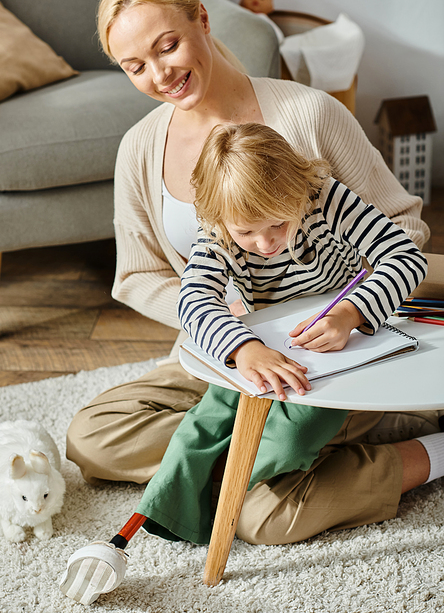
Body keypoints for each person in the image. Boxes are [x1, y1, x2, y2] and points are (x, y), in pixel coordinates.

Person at [66, 0, 441, 545]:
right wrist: (238, 334)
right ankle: (275, 459)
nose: (160, 74)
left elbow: (403, 233)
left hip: (330, 350)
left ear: (203, 22)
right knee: (92, 434)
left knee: (260, 516)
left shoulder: (308, 116)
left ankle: (409, 445)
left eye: (168, 46)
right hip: (223, 351)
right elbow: (139, 276)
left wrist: (345, 313)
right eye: (135, 66)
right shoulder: (139, 147)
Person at [132, 121, 429, 544]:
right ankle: (179, 513)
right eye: (246, 232)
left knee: (286, 440)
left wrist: (349, 313)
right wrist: (244, 347)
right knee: (198, 429)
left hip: (334, 358)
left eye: (279, 224)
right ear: (219, 219)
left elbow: (405, 256)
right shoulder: (219, 227)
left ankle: (225, 496)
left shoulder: (325, 198)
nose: (266, 242)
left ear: (299, 193)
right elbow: (193, 300)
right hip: (264, 354)